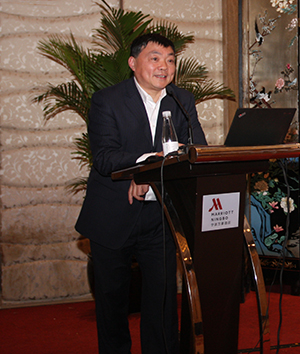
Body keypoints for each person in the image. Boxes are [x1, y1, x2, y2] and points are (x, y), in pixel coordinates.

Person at [75, 33, 207, 354]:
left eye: (171, 60)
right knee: (112, 303)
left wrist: (152, 173)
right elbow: (105, 157)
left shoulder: (181, 100)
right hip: (113, 213)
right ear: (134, 63)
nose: (165, 66)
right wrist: (145, 167)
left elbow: (197, 149)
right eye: (155, 58)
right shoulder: (107, 100)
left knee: (162, 301)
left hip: (160, 214)